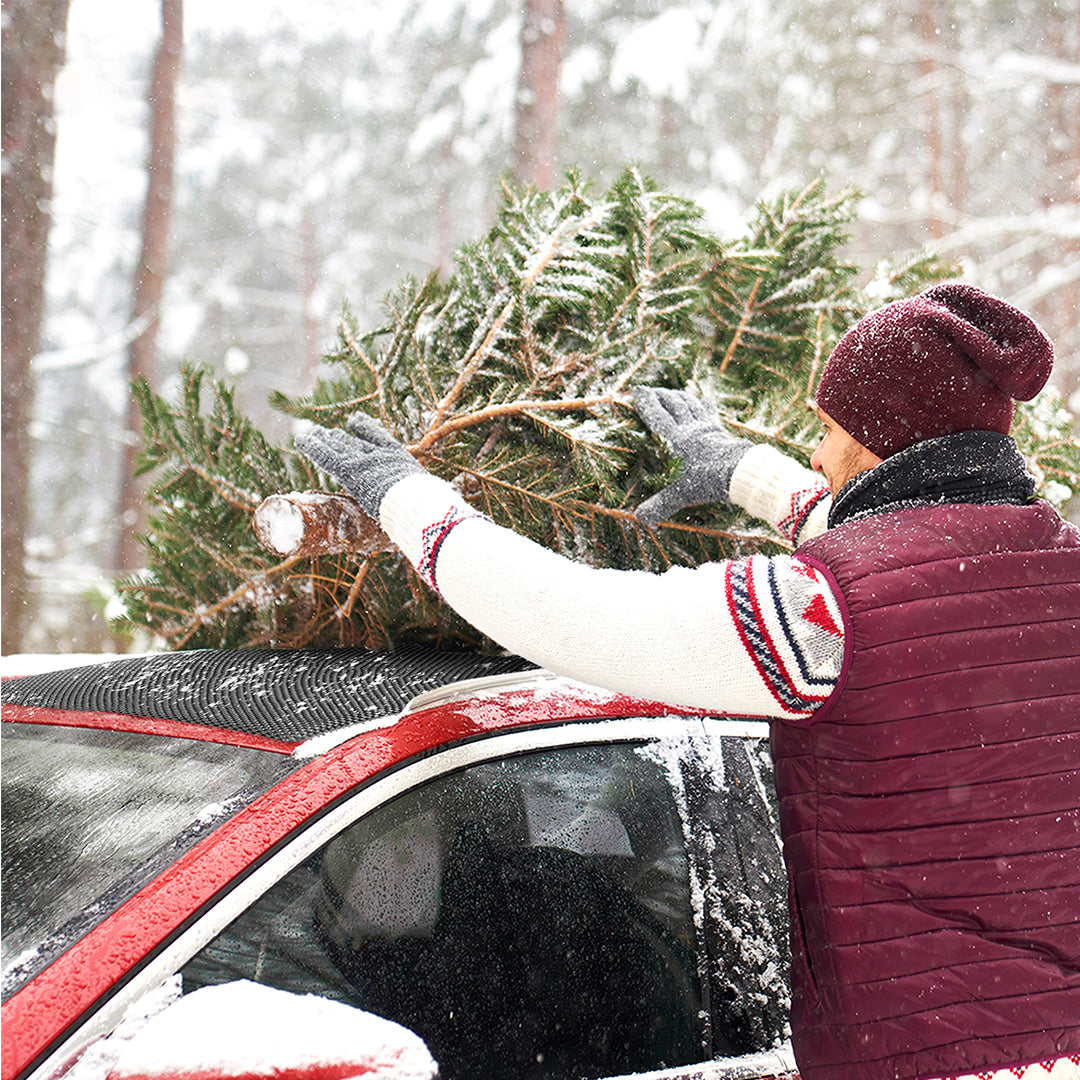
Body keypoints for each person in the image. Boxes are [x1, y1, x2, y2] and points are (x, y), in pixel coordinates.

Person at [297, 282, 1080, 1080]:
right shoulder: (1060, 560)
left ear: (888, 443)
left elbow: (573, 614)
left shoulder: (824, 615)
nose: (817, 452)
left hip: (927, 1054)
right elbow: (918, 563)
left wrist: (410, 499)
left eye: (831, 431)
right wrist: (749, 474)